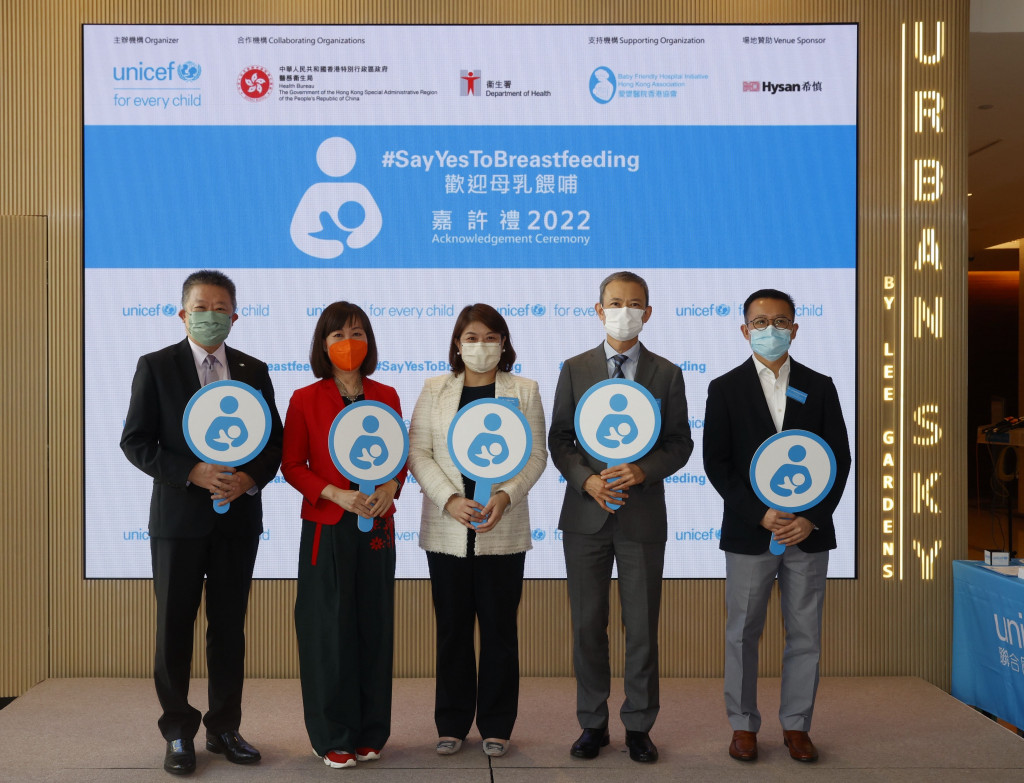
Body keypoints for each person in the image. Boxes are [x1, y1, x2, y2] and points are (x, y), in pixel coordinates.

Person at [121, 270, 283, 776]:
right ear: (182, 312)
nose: (210, 315)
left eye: (220, 307)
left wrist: (249, 480)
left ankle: (224, 727)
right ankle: (178, 731)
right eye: (201, 306)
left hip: (237, 522)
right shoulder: (156, 366)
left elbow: (273, 444)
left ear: (234, 315)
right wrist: (190, 471)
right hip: (177, 522)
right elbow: (136, 441)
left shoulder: (254, 370)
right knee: (174, 628)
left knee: (229, 628)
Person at [548, 271, 693, 764]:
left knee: (642, 627)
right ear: (599, 308)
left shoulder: (667, 373)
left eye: (634, 304)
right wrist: (587, 480)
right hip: (586, 516)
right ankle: (592, 724)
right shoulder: (574, 367)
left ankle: (639, 726)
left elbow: (680, 444)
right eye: (615, 302)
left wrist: (642, 470)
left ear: (647, 313)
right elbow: (560, 440)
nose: (624, 310)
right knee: (588, 625)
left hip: (642, 518)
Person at [703, 288, 851, 764]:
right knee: (742, 631)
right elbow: (717, 463)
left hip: (808, 534)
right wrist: (759, 513)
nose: (771, 329)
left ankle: (796, 725)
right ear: (745, 330)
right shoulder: (724, 388)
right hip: (750, 532)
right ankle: (743, 725)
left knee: (805, 631)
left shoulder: (820, 384)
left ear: (795, 327)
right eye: (760, 321)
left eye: (780, 320)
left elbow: (839, 460)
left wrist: (812, 518)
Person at [407, 304, 547, 759]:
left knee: (500, 630)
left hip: (501, 530)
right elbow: (419, 453)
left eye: (490, 337)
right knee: (451, 630)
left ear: (503, 342)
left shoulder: (523, 390)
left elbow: (536, 455)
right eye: (471, 337)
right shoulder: (435, 390)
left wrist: (504, 496)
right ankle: (450, 721)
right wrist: (449, 499)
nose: (480, 345)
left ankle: (497, 723)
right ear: (456, 343)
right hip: (447, 531)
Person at [281, 302, 406, 770]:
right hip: (327, 528)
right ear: (322, 345)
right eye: (337, 335)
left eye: (356, 333)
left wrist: (393, 484)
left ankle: (372, 730)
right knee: (328, 632)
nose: (347, 342)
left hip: (377, 525)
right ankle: (333, 734)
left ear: (369, 342)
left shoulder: (387, 394)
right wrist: (334, 493)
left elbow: (401, 455)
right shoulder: (304, 399)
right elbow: (291, 465)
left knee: (374, 627)